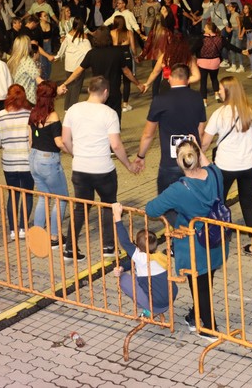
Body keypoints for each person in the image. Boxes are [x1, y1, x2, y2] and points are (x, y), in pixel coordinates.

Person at [146, 138, 226, 338]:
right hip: (216, 239)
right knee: (206, 282)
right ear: (198, 156)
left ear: (179, 162)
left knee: (199, 286)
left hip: (195, 245)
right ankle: (195, 315)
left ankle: (209, 328)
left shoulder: (179, 189)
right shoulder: (216, 175)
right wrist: (197, 146)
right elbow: (208, 165)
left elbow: (151, 209)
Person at [62, 75, 139, 262]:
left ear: (89, 90)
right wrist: (129, 164)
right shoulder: (109, 113)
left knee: (80, 208)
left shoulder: (73, 109)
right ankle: (108, 247)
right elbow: (116, 145)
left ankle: (70, 249)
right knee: (108, 206)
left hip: (80, 169)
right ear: (105, 92)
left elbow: (65, 140)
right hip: (103, 169)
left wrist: (76, 154)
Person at [201, 76, 252, 257]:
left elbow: (205, 143)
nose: (218, 91)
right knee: (248, 203)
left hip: (225, 167)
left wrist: (197, 160)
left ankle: (216, 241)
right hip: (250, 165)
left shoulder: (219, 114)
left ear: (228, 91)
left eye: (220, 89)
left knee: (219, 202)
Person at [134, 64, 206, 198]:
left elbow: (148, 134)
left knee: (167, 202)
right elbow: (200, 130)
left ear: (171, 78)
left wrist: (140, 156)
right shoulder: (197, 98)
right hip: (192, 161)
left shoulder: (160, 100)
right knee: (191, 201)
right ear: (187, 79)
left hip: (170, 163)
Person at [111, 201, 176, 317]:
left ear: (137, 246)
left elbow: (125, 242)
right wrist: (122, 267)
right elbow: (134, 262)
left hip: (157, 305)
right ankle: (152, 306)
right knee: (137, 273)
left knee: (123, 279)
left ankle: (149, 309)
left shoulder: (140, 257)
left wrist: (117, 217)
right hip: (170, 297)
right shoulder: (159, 255)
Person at [27, 80, 69, 251]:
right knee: (61, 198)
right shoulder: (53, 116)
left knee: (44, 197)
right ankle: (54, 236)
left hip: (33, 158)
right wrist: (72, 151)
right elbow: (59, 142)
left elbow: (30, 140)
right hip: (48, 160)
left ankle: (37, 234)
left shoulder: (32, 113)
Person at [0, 84, 33, 240]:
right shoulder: (30, 113)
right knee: (27, 194)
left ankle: (13, 230)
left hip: (9, 163)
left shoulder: (1, 115)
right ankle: (23, 228)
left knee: (13, 195)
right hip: (27, 162)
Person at [56, 15, 92, 109]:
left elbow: (63, 47)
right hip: (78, 68)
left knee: (69, 87)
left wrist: (58, 56)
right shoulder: (83, 37)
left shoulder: (68, 34)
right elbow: (89, 53)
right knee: (76, 89)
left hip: (68, 66)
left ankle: (66, 108)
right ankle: (71, 109)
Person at [194, 18, 225, 107]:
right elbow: (230, 46)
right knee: (214, 78)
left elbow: (193, 49)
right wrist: (242, 51)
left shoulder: (202, 38)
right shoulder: (220, 38)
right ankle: (217, 94)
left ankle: (204, 101)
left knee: (203, 82)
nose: (204, 28)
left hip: (203, 63)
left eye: (205, 27)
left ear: (209, 29)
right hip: (215, 63)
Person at [7, 34, 42, 105]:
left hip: (17, 96)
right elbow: (39, 80)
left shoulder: (12, 61)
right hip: (28, 98)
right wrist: (55, 89)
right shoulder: (27, 61)